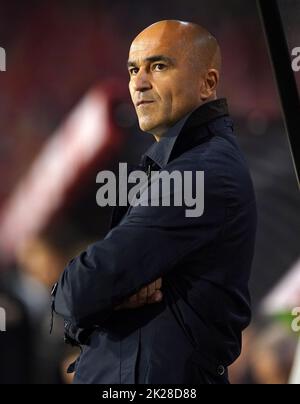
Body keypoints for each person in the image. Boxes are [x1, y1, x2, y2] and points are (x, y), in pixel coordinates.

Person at [52, 20, 257, 384]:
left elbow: (81, 289)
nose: (139, 82)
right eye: (133, 69)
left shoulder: (199, 172)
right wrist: (108, 296)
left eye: (159, 66)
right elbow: (96, 286)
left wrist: (91, 296)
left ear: (207, 83)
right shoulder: (176, 166)